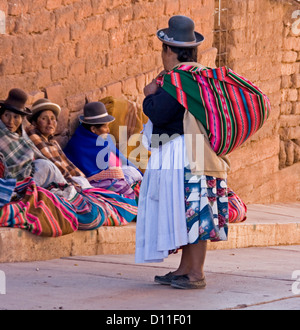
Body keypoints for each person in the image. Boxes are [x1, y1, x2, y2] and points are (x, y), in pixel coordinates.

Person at [135, 15, 230, 289]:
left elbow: (160, 113)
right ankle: (185, 269)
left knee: (196, 211)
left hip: (189, 154)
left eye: (163, 50)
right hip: (196, 151)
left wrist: (149, 94)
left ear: (168, 50)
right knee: (189, 211)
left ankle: (195, 273)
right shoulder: (197, 76)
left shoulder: (180, 79)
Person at [0, 88, 76, 199]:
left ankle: (68, 194)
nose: (11, 122)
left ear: (21, 119)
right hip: (14, 183)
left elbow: (37, 157)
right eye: (7, 115)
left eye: (16, 117)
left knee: (47, 167)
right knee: (47, 167)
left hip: (31, 175)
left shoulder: (23, 135)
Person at [64, 101, 142, 199]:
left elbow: (120, 157)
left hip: (117, 174)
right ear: (93, 129)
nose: (108, 130)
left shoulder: (104, 138)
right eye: (105, 126)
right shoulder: (79, 145)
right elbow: (91, 176)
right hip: (96, 182)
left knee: (133, 172)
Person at [26, 98, 91, 189]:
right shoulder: (33, 136)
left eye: (53, 118)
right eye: (44, 118)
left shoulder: (52, 142)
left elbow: (69, 165)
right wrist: (75, 184)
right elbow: (55, 167)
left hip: (68, 180)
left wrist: (83, 179)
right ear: (34, 123)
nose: (50, 122)